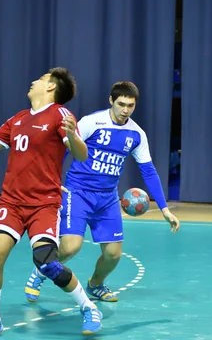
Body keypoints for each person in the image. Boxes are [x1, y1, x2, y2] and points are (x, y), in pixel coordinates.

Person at [0, 68, 103, 339]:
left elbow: (82, 155)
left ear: (51, 87)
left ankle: (87, 306)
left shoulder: (60, 115)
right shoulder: (18, 119)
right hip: (12, 201)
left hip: (43, 203)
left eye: (40, 79)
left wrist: (73, 136)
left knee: (46, 262)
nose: (33, 81)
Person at [24, 81, 180, 304]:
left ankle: (95, 284)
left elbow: (148, 170)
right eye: (121, 104)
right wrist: (53, 179)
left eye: (131, 105)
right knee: (70, 247)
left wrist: (164, 209)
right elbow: (64, 148)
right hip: (78, 192)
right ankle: (40, 271)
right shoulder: (92, 122)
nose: (125, 110)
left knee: (113, 255)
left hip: (107, 198)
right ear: (111, 101)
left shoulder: (136, 134)